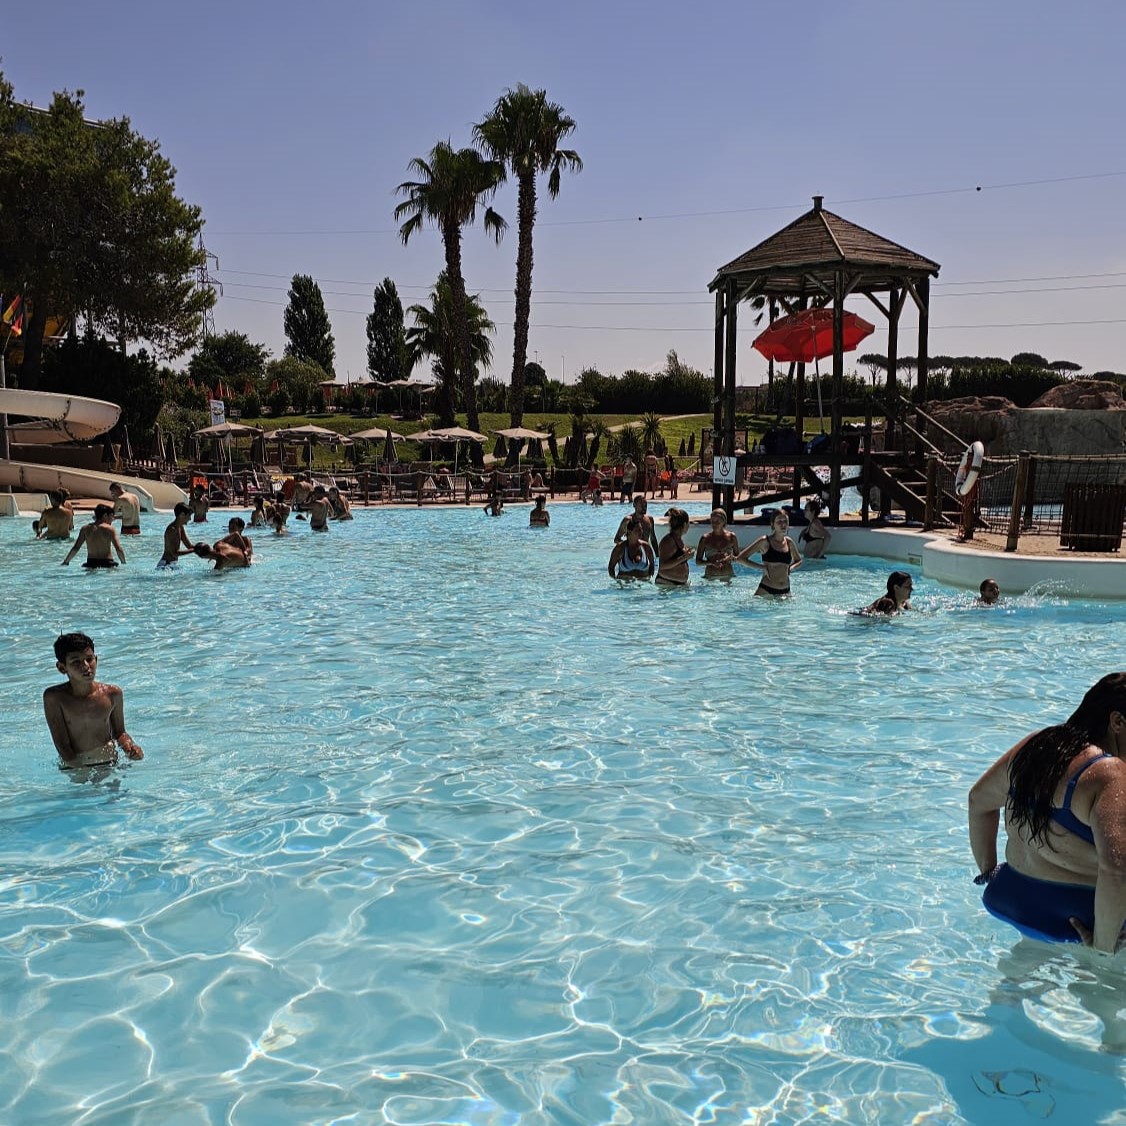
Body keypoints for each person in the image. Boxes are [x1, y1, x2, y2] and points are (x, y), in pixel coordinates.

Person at [968, 672, 1126, 951]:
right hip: (1076, 923)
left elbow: (978, 802)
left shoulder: (1035, 746)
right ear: (1117, 721)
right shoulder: (1110, 775)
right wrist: (1102, 949)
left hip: (1009, 900)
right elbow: (1116, 871)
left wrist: (989, 872)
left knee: (1022, 967)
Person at [43, 632, 143, 769]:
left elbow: (120, 733)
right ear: (62, 667)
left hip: (109, 762)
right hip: (74, 766)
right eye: (76, 662)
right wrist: (79, 769)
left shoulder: (113, 694)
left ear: (96, 659)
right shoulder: (55, 698)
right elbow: (61, 743)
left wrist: (130, 748)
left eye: (89, 659)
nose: (85, 666)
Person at [733, 509, 802, 597]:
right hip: (767, 589)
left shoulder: (789, 542)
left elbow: (798, 560)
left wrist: (790, 568)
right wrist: (762, 567)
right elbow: (740, 559)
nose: (783, 524)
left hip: (786, 591)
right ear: (773, 524)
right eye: (779, 521)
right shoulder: (765, 541)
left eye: (785, 521)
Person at [61, 506, 127, 569]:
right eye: (109, 516)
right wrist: (124, 563)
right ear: (104, 515)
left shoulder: (85, 529)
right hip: (107, 563)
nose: (111, 519)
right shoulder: (110, 529)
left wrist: (66, 561)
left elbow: (76, 548)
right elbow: (118, 549)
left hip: (90, 564)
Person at [695, 508, 740, 580]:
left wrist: (731, 558)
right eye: (712, 521)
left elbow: (738, 557)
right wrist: (711, 563)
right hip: (710, 577)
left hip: (728, 576)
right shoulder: (705, 539)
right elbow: (698, 562)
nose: (714, 524)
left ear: (723, 522)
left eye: (717, 521)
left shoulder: (732, 537)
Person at [656, 507, 694, 587]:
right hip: (666, 582)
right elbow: (662, 566)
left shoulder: (679, 539)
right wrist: (684, 557)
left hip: (678, 585)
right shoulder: (668, 541)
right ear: (684, 524)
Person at [158, 503, 195, 568]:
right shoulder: (171, 530)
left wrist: (205, 550)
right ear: (182, 515)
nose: (190, 519)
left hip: (172, 564)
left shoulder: (180, 527)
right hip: (165, 565)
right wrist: (194, 550)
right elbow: (174, 553)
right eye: (189, 516)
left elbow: (189, 546)